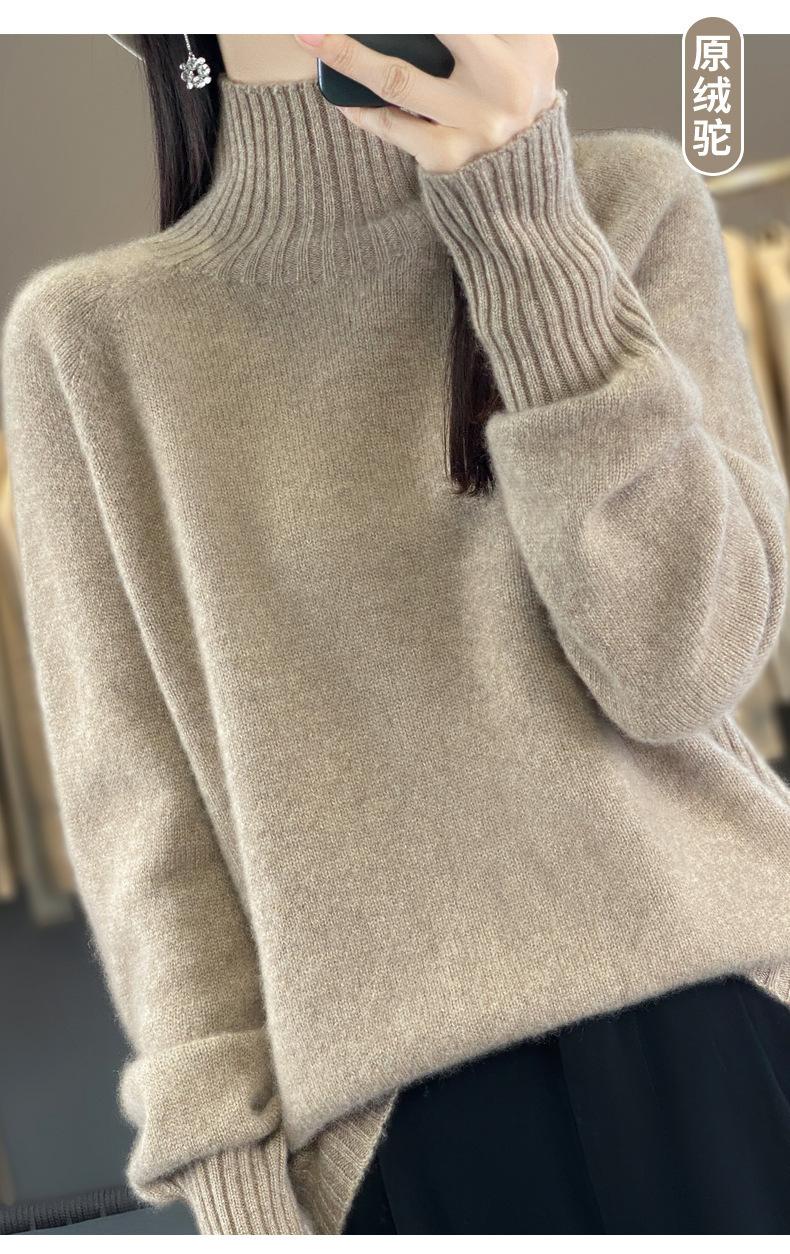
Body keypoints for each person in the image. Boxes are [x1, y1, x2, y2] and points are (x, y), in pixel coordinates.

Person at [2, 33, 789, 1237]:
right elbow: (149, 835)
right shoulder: (92, 341)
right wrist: (240, 1198)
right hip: (396, 1145)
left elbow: (682, 670)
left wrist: (519, 213)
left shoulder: (624, 204)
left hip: (726, 1039)